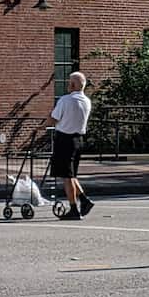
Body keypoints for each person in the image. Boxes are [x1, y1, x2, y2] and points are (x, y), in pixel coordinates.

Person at [48, 71, 93, 220]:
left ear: (73, 84)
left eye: (69, 82)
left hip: (64, 139)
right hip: (78, 139)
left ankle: (73, 208)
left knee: (67, 177)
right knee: (71, 174)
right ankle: (84, 200)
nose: (68, 84)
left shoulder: (65, 100)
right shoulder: (86, 101)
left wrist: (41, 126)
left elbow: (54, 118)